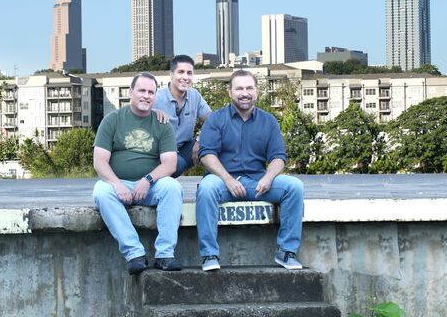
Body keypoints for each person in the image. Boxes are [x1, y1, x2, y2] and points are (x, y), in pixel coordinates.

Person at [195, 70, 304, 271]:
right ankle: (209, 254)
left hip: (257, 183)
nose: (244, 93)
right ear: (230, 92)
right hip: (223, 183)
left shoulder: (269, 121)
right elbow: (206, 154)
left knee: (294, 187)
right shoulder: (216, 119)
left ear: (257, 91)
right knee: (206, 188)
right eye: (239, 88)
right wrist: (228, 180)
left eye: (249, 88)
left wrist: (269, 178)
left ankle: (286, 252)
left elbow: (278, 157)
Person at [92, 72, 183, 275]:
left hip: (149, 185)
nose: (146, 96)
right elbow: (99, 161)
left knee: (172, 187)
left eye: (151, 92)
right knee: (101, 192)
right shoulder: (112, 120)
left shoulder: (162, 123)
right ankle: (135, 254)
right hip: (119, 184)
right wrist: (116, 183)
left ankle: (165, 255)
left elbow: (170, 164)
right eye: (141, 90)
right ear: (131, 92)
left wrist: (148, 180)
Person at [154, 55, 211, 177]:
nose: (185, 77)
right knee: (176, 163)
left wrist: (199, 141)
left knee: (214, 143)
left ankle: (208, 186)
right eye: (181, 72)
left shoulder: (194, 95)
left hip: (185, 147)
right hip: (160, 152)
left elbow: (212, 121)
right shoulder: (156, 98)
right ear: (171, 74)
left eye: (189, 73)